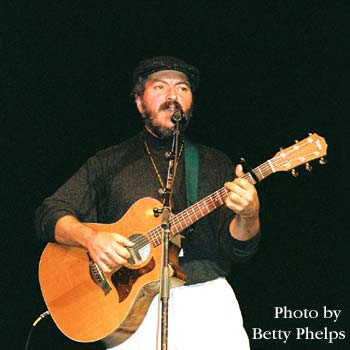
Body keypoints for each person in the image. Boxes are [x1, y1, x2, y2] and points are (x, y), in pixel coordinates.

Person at [35, 56, 261, 350]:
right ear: (140, 102)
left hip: (207, 301)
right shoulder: (109, 162)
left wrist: (249, 215)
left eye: (182, 88)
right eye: (159, 87)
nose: (172, 97)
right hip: (127, 314)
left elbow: (239, 248)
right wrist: (90, 239)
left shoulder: (214, 163)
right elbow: (49, 213)